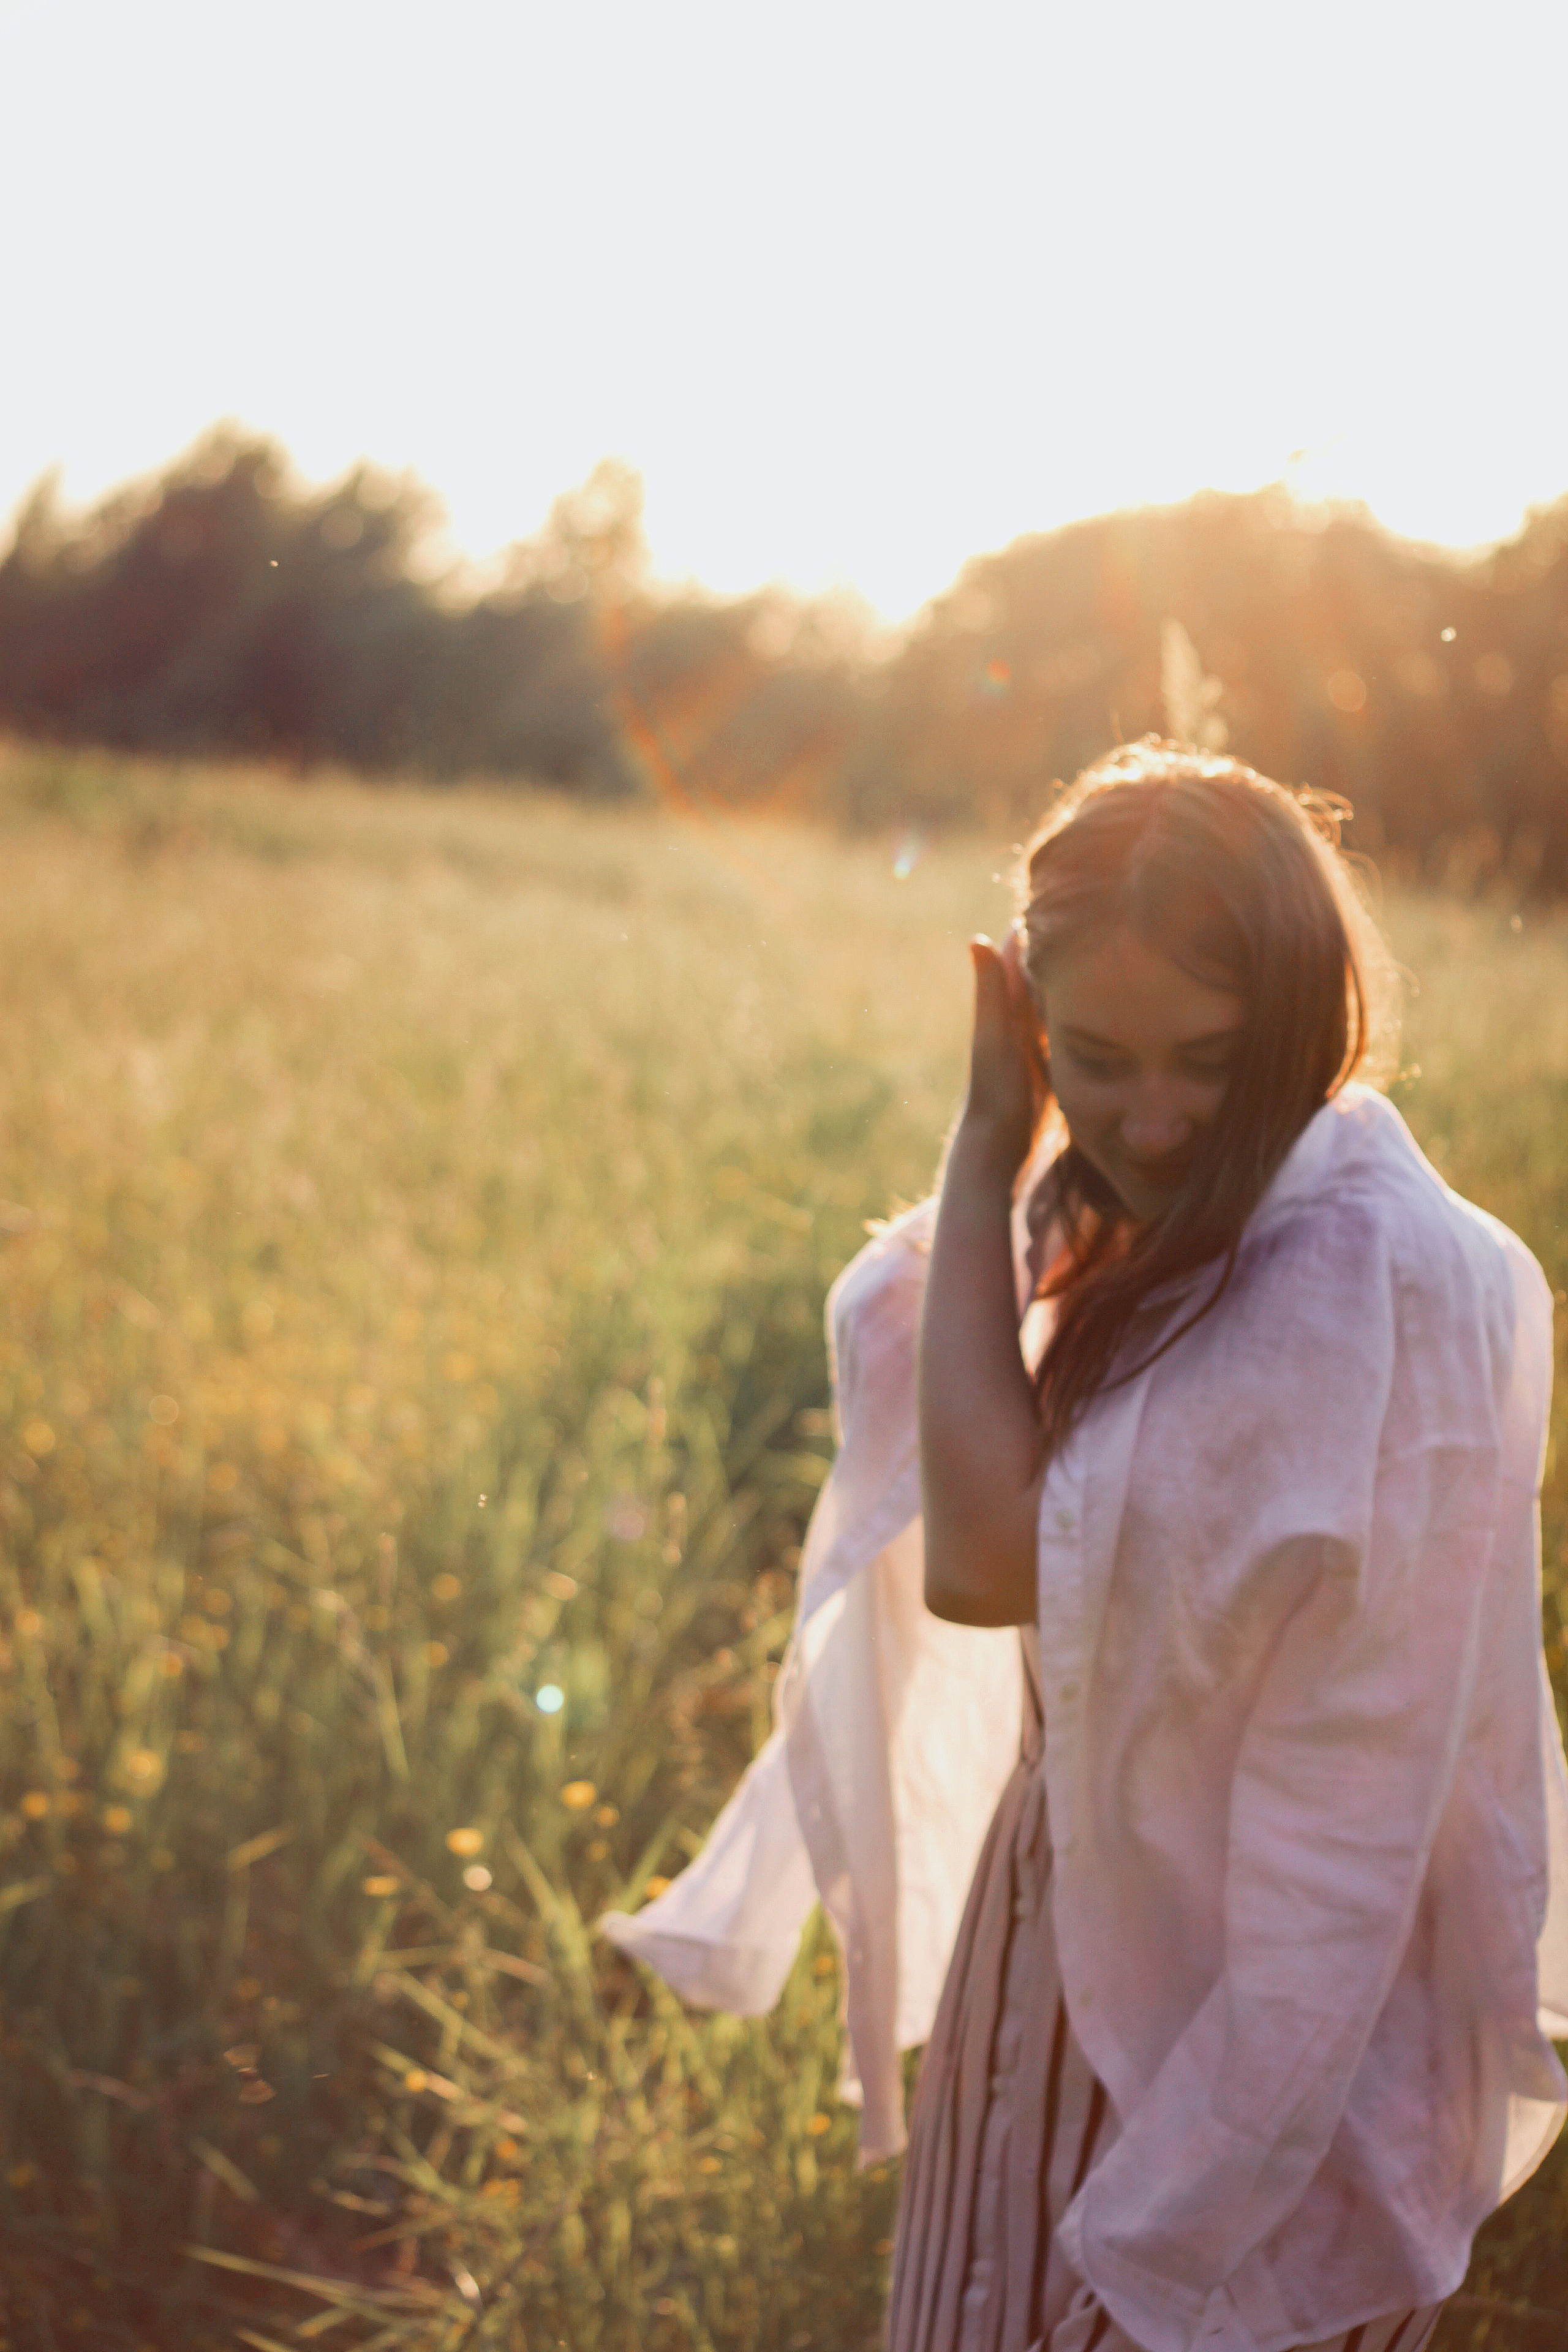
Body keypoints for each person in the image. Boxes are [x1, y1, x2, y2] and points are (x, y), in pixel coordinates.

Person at [602, 741, 1568, 2352]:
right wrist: (1017, 1143)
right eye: (1096, 1056)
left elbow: (982, 1564)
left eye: (1210, 1055)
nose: (1158, 1113)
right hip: (1071, 1928)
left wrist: (992, 1145)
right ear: (1027, 1012)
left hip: (1276, 2003)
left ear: (1305, 1014)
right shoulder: (1118, 1211)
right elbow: (922, 1346)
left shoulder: (1356, 1272)